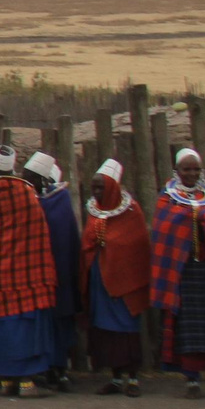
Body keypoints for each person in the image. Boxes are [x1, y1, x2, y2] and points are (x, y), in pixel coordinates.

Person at [149, 147, 205, 398]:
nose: (192, 173)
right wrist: (189, 218)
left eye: (196, 169)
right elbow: (164, 234)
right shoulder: (168, 199)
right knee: (186, 327)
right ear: (176, 171)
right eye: (187, 169)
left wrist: (203, 220)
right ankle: (191, 379)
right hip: (182, 273)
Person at [0, 145, 58, 399]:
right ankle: (26, 382)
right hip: (26, 272)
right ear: (13, 167)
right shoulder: (26, 194)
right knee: (24, 325)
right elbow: (37, 230)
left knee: (2, 324)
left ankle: (5, 381)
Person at [79, 158, 150, 395]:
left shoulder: (131, 212)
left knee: (126, 328)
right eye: (93, 187)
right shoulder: (95, 211)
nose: (96, 191)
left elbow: (136, 245)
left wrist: (110, 245)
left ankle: (133, 378)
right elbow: (89, 240)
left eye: (100, 187)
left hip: (123, 282)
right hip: (100, 278)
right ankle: (116, 377)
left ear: (112, 187)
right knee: (105, 329)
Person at [27, 150, 82, 391]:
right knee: (39, 322)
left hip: (59, 271)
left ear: (44, 179)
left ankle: (60, 369)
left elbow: (66, 236)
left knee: (60, 321)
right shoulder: (28, 201)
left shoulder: (60, 201)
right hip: (35, 273)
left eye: (31, 178)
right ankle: (43, 367)